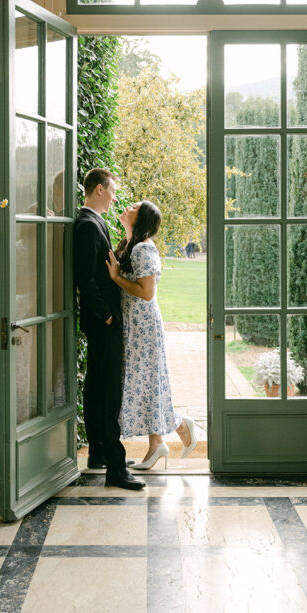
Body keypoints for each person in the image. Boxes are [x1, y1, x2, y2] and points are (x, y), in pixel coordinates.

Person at [106, 200, 197, 470]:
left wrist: (115, 277)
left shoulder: (143, 249)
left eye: (135, 206)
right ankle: (159, 441)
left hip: (143, 326)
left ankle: (179, 427)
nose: (128, 206)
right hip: (135, 324)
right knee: (146, 383)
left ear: (141, 218)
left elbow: (146, 293)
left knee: (146, 381)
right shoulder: (130, 244)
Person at [73, 169, 145, 491]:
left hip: (102, 322)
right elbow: (86, 279)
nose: (115, 197)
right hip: (104, 323)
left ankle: (99, 453)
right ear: (99, 189)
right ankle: (115, 468)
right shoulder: (88, 225)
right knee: (108, 392)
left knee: (96, 386)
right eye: (112, 190)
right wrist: (107, 317)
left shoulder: (94, 222)